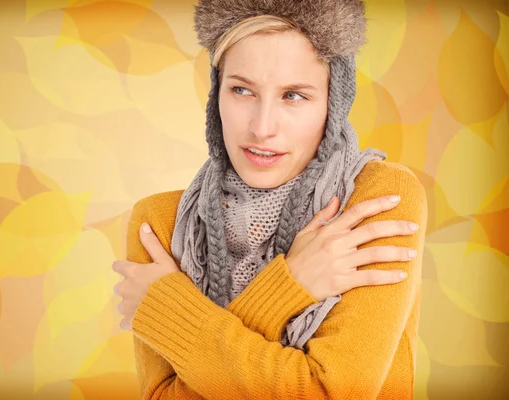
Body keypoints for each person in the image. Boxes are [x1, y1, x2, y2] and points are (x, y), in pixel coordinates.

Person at [112, 0, 427, 398]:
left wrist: (171, 313)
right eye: (242, 89)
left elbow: (329, 394)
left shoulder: (376, 199)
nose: (262, 128)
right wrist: (289, 285)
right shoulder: (159, 223)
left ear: (333, 103)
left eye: (294, 96)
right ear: (216, 96)